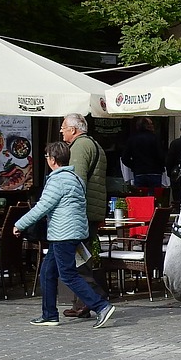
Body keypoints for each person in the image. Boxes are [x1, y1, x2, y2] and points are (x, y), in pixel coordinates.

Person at [13, 141, 116, 328]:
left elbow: (43, 207)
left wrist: (20, 224)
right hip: (72, 232)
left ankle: (101, 306)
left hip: (63, 234)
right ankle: (49, 314)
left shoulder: (57, 180)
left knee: (68, 275)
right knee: (46, 272)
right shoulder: (75, 178)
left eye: (46, 157)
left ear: (52, 160)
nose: (46, 160)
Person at [61, 114, 109, 319]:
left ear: (73, 129)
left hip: (82, 212)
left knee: (78, 259)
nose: (61, 131)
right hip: (92, 209)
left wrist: (69, 210)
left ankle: (94, 299)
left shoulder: (80, 148)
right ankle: (83, 302)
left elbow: (76, 180)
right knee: (82, 256)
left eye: (63, 127)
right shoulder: (95, 145)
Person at [121, 118, 166, 188]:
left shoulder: (132, 139)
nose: (153, 126)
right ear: (147, 126)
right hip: (154, 172)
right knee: (155, 197)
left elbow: (124, 158)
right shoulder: (155, 138)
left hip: (139, 172)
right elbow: (161, 155)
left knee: (141, 196)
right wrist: (160, 166)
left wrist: (134, 166)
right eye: (151, 124)